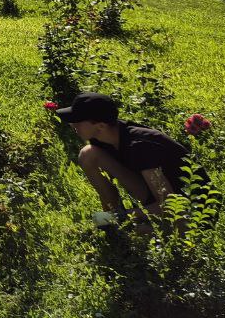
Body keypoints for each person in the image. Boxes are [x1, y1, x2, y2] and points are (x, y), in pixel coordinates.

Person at [56, 92, 194, 229]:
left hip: (192, 207)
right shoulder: (104, 137)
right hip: (153, 194)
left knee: (141, 233)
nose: (72, 124)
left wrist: (123, 216)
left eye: (77, 121)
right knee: (88, 154)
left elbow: (170, 205)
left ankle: (119, 222)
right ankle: (112, 221)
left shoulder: (140, 146)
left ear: (101, 126)